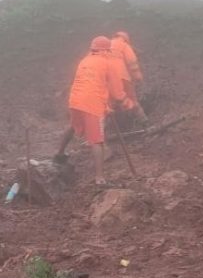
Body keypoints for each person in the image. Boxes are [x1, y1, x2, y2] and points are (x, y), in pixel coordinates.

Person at [55, 36, 132, 185]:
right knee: (97, 140)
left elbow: (95, 84)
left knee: (73, 126)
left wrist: (106, 106)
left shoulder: (85, 61)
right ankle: (100, 179)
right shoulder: (108, 64)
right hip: (92, 104)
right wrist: (127, 103)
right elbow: (117, 92)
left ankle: (59, 154)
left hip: (75, 100)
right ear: (106, 50)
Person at [110, 31, 147, 122]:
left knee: (110, 103)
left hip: (106, 78)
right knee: (132, 100)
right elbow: (132, 63)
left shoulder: (105, 45)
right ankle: (144, 121)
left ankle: (112, 127)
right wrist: (138, 77)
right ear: (126, 40)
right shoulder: (124, 45)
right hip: (122, 77)